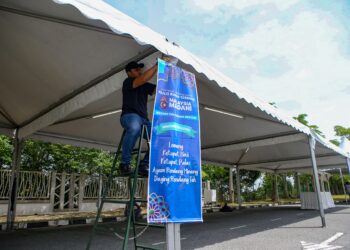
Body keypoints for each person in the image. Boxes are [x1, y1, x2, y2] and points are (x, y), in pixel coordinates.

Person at [119, 60, 159, 176]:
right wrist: (157, 65)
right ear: (129, 73)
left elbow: (159, 89)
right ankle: (124, 163)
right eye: (136, 69)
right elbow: (143, 79)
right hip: (129, 116)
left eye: (140, 69)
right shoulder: (128, 82)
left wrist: (168, 75)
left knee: (159, 137)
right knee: (134, 128)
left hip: (143, 119)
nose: (140, 71)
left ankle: (144, 165)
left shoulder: (144, 85)